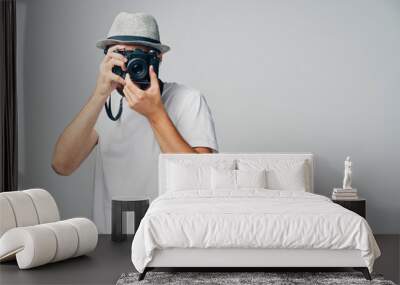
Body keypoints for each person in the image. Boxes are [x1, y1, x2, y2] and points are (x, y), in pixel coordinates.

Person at [51, 12, 218, 233]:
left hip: (172, 238)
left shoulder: (188, 99)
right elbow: (62, 165)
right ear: (106, 58)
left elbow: (202, 182)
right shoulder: (103, 104)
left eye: (139, 55)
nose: (131, 64)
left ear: (158, 57)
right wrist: (100, 94)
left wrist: (155, 113)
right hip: (113, 239)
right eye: (121, 54)